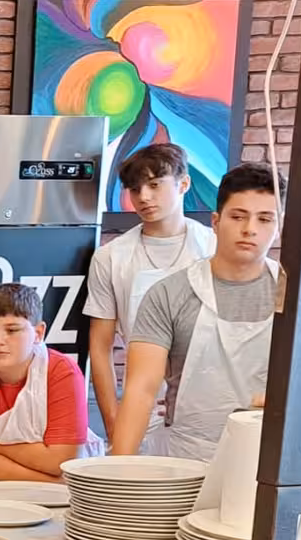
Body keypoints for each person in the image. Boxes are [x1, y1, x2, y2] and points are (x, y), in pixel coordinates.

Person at [110, 162, 301, 460]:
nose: (250, 229)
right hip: (187, 457)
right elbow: (141, 389)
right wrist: (118, 469)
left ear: (279, 227)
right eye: (238, 216)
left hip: (275, 459)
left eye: (265, 219)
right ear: (216, 222)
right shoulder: (169, 294)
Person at [84, 143, 217, 435]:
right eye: (135, 189)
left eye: (155, 185)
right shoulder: (111, 256)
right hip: (142, 402)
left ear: (183, 184)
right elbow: (100, 347)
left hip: (210, 399)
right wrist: (114, 422)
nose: (144, 197)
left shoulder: (213, 247)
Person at [0, 282, 91, 482]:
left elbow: (60, 461)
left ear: (38, 333)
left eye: (12, 330)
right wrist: (51, 482)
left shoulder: (63, 373)